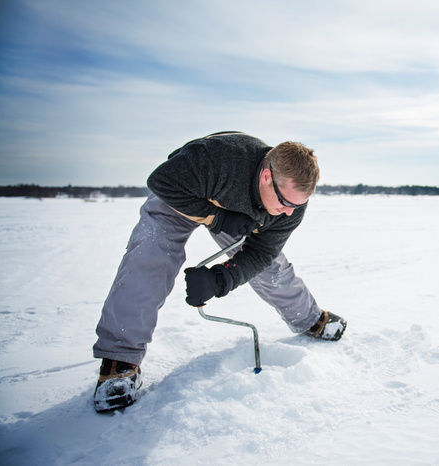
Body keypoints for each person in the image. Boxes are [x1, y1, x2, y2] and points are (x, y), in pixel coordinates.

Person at [92, 131, 347, 412]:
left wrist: (222, 278)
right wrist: (219, 217)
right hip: (183, 194)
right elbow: (160, 181)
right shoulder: (215, 157)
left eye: (297, 206)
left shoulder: (290, 205)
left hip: (244, 213)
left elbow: (262, 253)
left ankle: (309, 318)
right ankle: (120, 360)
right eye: (286, 203)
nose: (289, 213)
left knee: (273, 269)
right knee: (149, 257)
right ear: (266, 177)